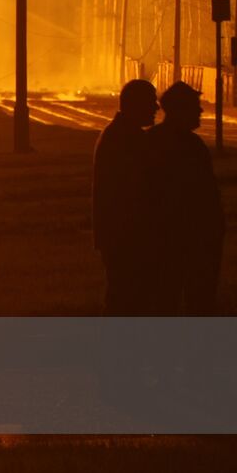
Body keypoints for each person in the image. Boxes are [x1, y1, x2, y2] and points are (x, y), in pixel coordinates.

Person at [146, 81, 226, 314]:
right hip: (187, 239)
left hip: (170, 239)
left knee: (166, 300)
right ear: (180, 110)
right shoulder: (191, 146)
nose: (201, 111)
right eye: (195, 106)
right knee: (195, 302)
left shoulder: (153, 140)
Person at [92, 79, 158, 314]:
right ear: (134, 105)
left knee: (123, 298)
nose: (156, 109)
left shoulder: (118, 134)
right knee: (127, 300)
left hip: (118, 235)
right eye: (151, 103)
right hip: (125, 236)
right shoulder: (126, 140)